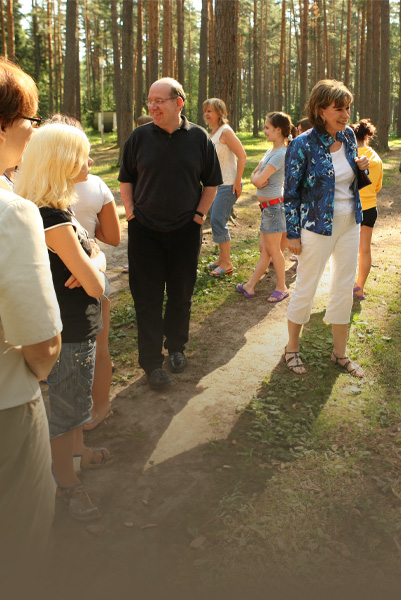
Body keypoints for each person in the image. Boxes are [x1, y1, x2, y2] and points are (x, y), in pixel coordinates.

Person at [0, 51, 62, 589]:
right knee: (15, 547)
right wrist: (42, 370)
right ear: (1, 124)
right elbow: (42, 342)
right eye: (31, 120)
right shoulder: (8, 210)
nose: (34, 133)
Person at [16, 123, 109, 520]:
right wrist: (94, 268)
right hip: (69, 329)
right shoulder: (52, 215)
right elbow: (95, 285)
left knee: (74, 403)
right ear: (61, 161)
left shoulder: (56, 206)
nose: (89, 161)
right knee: (67, 406)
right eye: (82, 154)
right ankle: (65, 485)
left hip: (75, 325)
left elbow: (97, 262)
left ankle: (77, 454)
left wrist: (94, 263)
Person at [119, 77, 222, 390]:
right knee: (147, 298)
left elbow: (212, 183)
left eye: (159, 101)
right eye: (150, 101)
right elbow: (126, 181)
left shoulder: (199, 139)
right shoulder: (138, 137)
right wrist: (132, 214)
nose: (152, 106)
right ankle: (151, 363)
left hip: (184, 231)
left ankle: (176, 347)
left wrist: (198, 216)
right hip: (145, 232)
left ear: (178, 102)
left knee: (181, 293)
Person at [283, 79, 370, 377]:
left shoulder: (347, 136)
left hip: (350, 223)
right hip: (316, 227)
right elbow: (291, 193)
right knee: (306, 285)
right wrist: (293, 233)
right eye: (339, 109)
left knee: (344, 287)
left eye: (347, 108)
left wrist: (361, 168)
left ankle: (340, 354)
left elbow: (346, 179)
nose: (346, 115)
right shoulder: (302, 144)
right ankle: (292, 349)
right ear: (321, 110)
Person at [46, 114, 121, 432]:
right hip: (86, 290)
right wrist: (93, 257)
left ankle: (73, 428)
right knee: (96, 352)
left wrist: (90, 259)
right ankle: (98, 408)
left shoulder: (30, 187)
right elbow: (114, 238)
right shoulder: (95, 185)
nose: (88, 160)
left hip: (63, 290)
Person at [236, 111, 292, 303]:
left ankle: (282, 287)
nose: (265, 131)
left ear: (278, 129)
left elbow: (259, 178)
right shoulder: (271, 151)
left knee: (273, 250)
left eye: (267, 128)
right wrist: (256, 179)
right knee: (265, 249)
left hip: (274, 209)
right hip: (268, 208)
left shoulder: (280, 154)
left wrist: (257, 179)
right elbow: (255, 177)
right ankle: (250, 286)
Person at [203, 98, 247, 277]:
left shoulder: (225, 131)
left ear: (220, 113)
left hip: (229, 184)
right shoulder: (212, 133)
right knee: (215, 219)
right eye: (205, 111)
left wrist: (237, 182)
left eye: (210, 111)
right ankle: (221, 259)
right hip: (216, 185)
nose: (206, 114)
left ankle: (227, 263)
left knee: (218, 221)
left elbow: (242, 155)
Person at [351, 119, 383, 300]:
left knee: (347, 249)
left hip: (353, 209)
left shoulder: (351, 156)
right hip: (370, 208)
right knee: (365, 250)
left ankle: (345, 285)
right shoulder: (377, 158)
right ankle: (360, 287)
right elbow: (377, 186)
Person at [122, 115, 154, 275]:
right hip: (137, 201)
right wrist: (129, 211)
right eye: (137, 126)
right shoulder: (134, 144)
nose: (138, 129)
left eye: (142, 126)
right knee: (136, 238)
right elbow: (126, 176)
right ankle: (132, 263)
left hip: (151, 202)